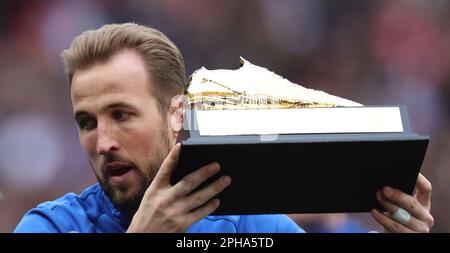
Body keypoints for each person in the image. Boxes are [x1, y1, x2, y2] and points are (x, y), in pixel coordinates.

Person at [14, 23, 433, 233]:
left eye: (122, 115)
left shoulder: (247, 225)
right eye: (87, 122)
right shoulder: (52, 225)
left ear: (178, 115)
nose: (102, 142)